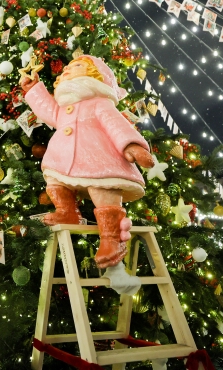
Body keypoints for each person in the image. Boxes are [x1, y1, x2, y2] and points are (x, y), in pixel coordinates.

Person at [20, 55, 155, 292]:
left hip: (97, 158)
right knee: (54, 180)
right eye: (68, 67)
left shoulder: (99, 103)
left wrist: (132, 146)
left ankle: (110, 239)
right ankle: (66, 211)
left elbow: (116, 124)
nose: (68, 70)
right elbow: (47, 109)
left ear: (96, 76)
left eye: (77, 66)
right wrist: (33, 89)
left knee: (104, 188)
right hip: (62, 160)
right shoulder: (62, 108)